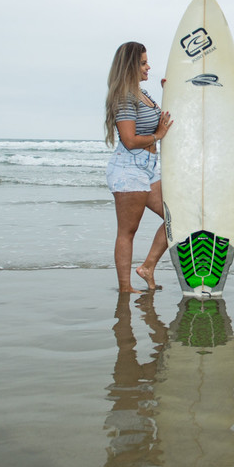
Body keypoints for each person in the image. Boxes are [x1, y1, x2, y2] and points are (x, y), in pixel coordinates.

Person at [104, 41, 173, 293]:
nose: (148, 67)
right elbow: (130, 140)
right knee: (128, 231)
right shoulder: (124, 97)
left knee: (175, 219)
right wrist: (158, 136)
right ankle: (125, 289)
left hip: (149, 167)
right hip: (128, 168)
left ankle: (147, 267)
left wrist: (171, 91)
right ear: (131, 66)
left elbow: (158, 123)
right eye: (143, 63)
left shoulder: (144, 94)